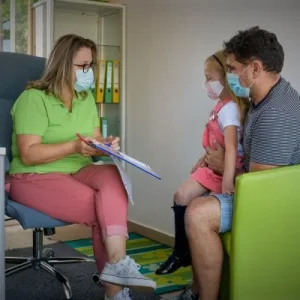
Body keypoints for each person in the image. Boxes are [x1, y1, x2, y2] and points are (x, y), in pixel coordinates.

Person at [8, 34, 156, 300]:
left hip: (77, 169)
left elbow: (93, 138)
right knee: (103, 209)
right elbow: (29, 154)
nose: (89, 72)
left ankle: (117, 266)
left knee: (113, 174)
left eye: (91, 66)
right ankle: (115, 290)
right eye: (82, 66)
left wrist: (105, 144)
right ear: (63, 64)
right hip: (34, 176)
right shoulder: (34, 98)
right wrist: (73, 147)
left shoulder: (85, 98)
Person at [184, 26, 300, 300]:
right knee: (197, 195)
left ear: (256, 68)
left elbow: (260, 189)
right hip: (267, 192)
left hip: (275, 205)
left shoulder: (276, 113)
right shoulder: (265, 100)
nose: (230, 76)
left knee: (197, 213)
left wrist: (224, 167)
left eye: (234, 69)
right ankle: (198, 289)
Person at [156, 49, 249, 281]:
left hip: (223, 171)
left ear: (226, 78)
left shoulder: (230, 110)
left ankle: (181, 252)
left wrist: (228, 180)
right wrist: (202, 159)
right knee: (181, 195)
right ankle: (182, 251)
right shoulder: (221, 105)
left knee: (183, 195)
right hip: (212, 165)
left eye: (209, 78)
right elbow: (215, 142)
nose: (206, 84)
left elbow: (230, 149)